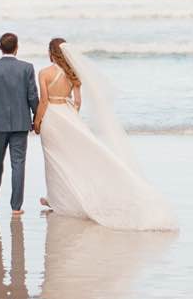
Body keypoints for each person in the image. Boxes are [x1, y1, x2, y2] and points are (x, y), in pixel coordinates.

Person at [32, 37, 178, 232]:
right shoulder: (72, 73)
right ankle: (60, 198)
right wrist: (72, 120)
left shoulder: (44, 73)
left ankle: (58, 199)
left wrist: (37, 122)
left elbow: (43, 101)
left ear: (51, 53)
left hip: (52, 117)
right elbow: (77, 102)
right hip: (68, 116)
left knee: (54, 159)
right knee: (70, 159)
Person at [0, 32, 38, 216]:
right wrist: (37, 119)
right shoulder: (27, 68)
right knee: (18, 164)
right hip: (21, 122)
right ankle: (16, 207)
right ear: (17, 47)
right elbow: (32, 97)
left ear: (0, 47)